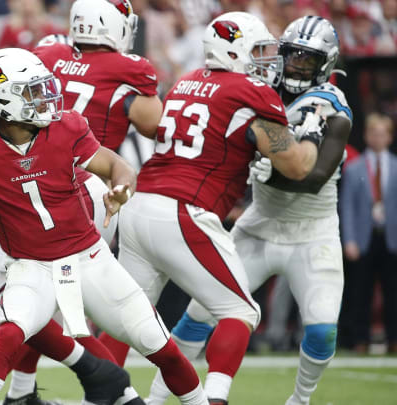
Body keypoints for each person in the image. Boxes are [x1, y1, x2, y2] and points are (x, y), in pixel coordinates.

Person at [0, 47, 209, 405]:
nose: (45, 97)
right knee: (8, 334)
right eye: (32, 91)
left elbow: (116, 166)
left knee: (163, 349)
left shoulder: (67, 126)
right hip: (32, 268)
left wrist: (122, 188)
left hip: (91, 259)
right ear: (1, 101)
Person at [115, 12, 326, 405]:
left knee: (120, 318)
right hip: (183, 211)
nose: (267, 60)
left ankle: (105, 398)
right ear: (235, 52)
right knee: (240, 313)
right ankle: (214, 398)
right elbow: (296, 165)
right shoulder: (251, 91)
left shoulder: (186, 82)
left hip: (140, 206)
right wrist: (311, 136)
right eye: (259, 50)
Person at [32, 0, 164, 363]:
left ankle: (21, 390)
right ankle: (110, 379)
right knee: (73, 301)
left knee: (41, 301)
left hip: (30, 180)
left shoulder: (50, 52)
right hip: (87, 185)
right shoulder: (129, 68)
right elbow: (154, 123)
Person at [340, 113, 397, 354]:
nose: (378, 138)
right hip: (363, 238)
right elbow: (347, 207)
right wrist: (349, 239)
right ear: (366, 135)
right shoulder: (354, 168)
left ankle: (393, 338)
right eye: (374, 133)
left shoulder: (395, 166)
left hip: (391, 238)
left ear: (390, 137)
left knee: (393, 291)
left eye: (382, 133)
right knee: (359, 291)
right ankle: (359, 338)